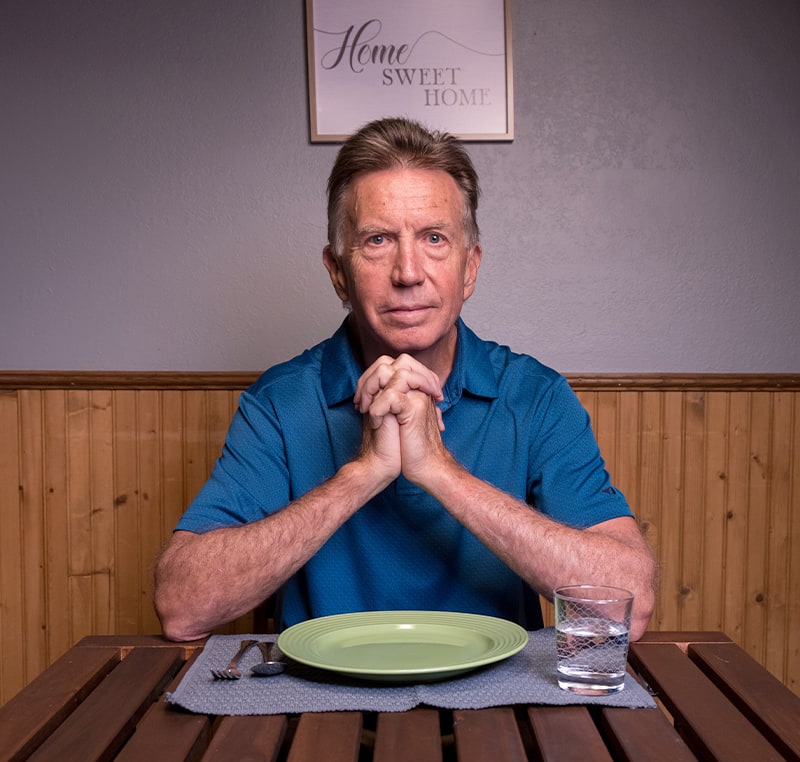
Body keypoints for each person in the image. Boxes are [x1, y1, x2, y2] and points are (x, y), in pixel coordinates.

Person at [154, 117, 656, 643]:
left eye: (435, 238)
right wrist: (363, 472)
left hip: (499, 712)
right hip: (322, 710)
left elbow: (632, 604)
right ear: (336, 272)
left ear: (469, 268)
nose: (408, 271)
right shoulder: (280, 404)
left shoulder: (536, 397)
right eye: (377, 240)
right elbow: (183, 607)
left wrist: (439, 471)